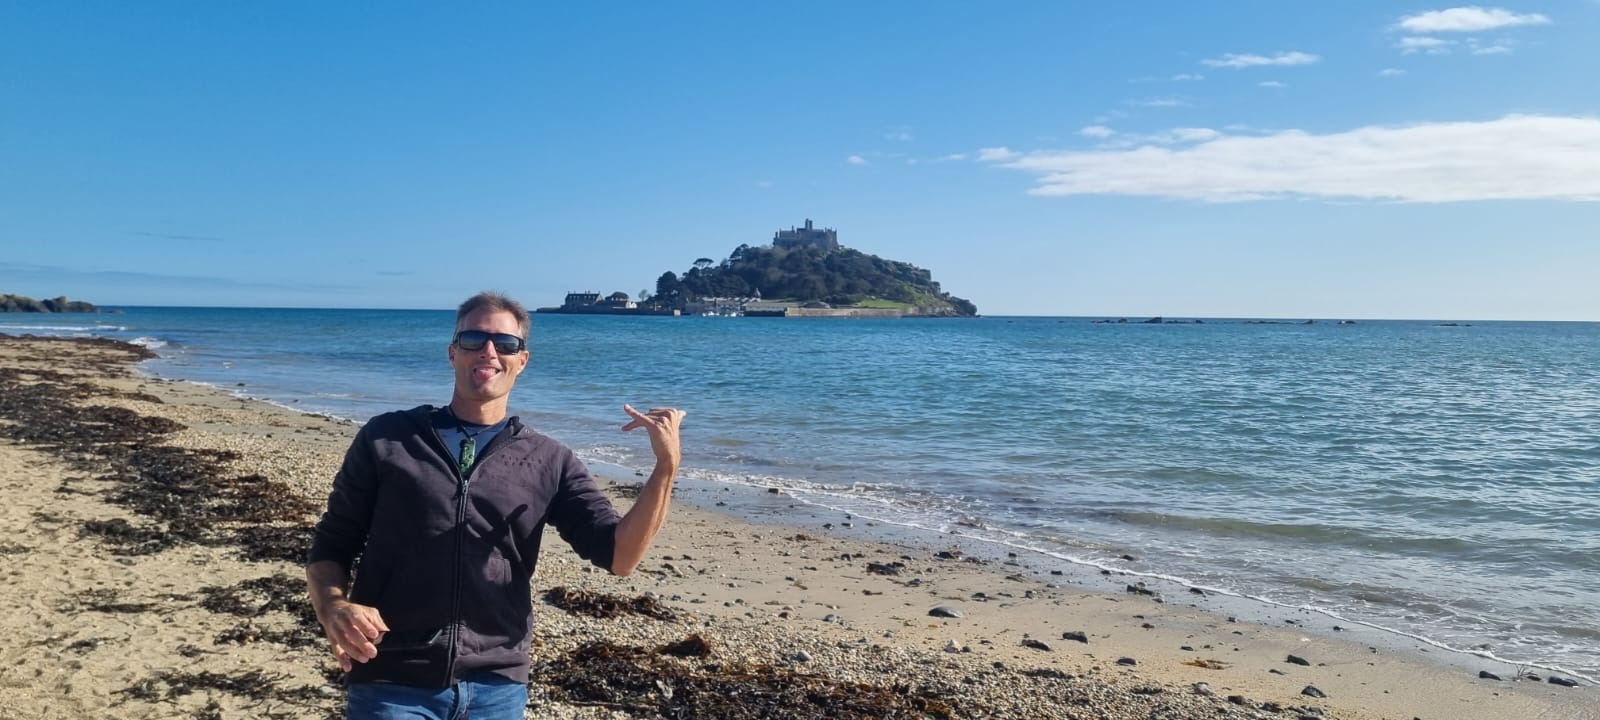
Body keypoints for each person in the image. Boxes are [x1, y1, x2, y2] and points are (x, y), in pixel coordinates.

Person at [305, 291, 685, 719]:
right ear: (453, 352)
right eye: (474, 339)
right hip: (393, 679)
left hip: (497, 685)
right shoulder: (387, 439)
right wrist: (334, 607)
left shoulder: (549, 459)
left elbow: (621, 556)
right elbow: (332, 544)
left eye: (505, 344)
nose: (489, 351)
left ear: (522, 360)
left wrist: (666, 468)